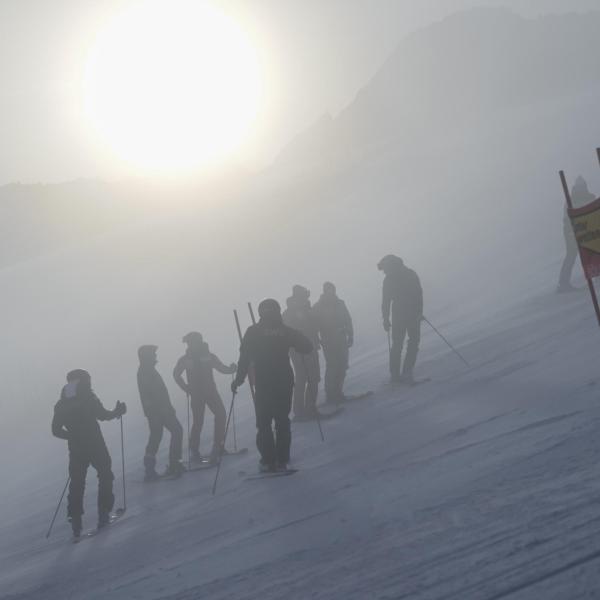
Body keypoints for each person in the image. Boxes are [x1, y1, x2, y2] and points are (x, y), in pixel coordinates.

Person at [231, 298, 313, 472]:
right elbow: (307, 347)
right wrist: (299, 345)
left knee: (264, 423)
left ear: (261, 313)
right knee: (282, 420)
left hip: (264, 382)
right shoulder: (285, 331)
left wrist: (238, 380)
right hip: (284, 380)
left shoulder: (253, 331)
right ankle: (283, 459)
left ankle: (268, 461)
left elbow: (244, 358)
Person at [51, 369, 126, 538]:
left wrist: (72, 436)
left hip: (76, 449)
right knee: (105, 474)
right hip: (95, 444)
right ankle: (103, 513)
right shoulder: (88, 397)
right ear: (83, 381)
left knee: (77, 482)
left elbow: (55, 430)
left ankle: (76, 522)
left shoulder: (62, 404)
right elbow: (103, 415)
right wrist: (117, 411)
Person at [173, 332, 236, 464]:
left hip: (207, 392)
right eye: (189, 343)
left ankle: (216, 447)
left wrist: (231, 370)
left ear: (198, 342)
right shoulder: (193, 358)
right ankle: (197, 450)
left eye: (191, 342)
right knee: (199, 421)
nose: (189, 345)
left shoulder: (191, 358)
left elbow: (220, 367)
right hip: (202, 393)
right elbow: (176, 375)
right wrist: (186, 388)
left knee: (218, 416)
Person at [137, 345, 185, 481]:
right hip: (159, 411)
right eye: (153, 354)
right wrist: (165, 409)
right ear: (147, 356)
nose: (155, 356)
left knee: (156, 436)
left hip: (157, 411)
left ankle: (152, 469)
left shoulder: (147, 370)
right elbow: (154, 395)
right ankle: (174, 464)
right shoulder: (146, 372)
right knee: (176, 431)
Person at [378, 255, 423, 384]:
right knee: (413, 342)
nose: (384, 272)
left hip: (399, 314)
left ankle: (395, 375)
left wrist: (386, 319)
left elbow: (386, 301)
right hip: (412, 313)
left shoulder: (389, 280)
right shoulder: (409, 274)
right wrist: (419, 312)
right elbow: (419, 294)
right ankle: (406, 372)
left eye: (385, 269)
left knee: (397, 344)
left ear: (389, 266)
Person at [282, 285, 321, 419]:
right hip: (299, 351)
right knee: (306, 377)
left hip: (310, 348)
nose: (306, 298)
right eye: (304, 295)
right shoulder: (290, 313)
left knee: (311, 377)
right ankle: (304, 410)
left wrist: (316, 340)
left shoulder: (306, 310)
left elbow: (313, 327)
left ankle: (304, 409)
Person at [312, 282, 354, 404]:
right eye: (328, 290)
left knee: (343, 365)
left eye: (332, 290)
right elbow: (314, 325)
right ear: (325, 291)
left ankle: (338, 392)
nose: (331, 292)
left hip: (341, 338)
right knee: (332, 366)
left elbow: (348, 319)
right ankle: (331, 394)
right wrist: (316, 339)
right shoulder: (318, 307)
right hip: (328, 340)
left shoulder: (340, 303)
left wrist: (351, 335)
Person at [557, 175, 596, 293]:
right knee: (572, 255)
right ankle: (563, 283)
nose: (582, 188)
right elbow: (567, 218)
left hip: (588, 231)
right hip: (572, 232)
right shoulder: (571, 200)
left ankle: (597, 275)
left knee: (593, 252)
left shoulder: (590, 198)